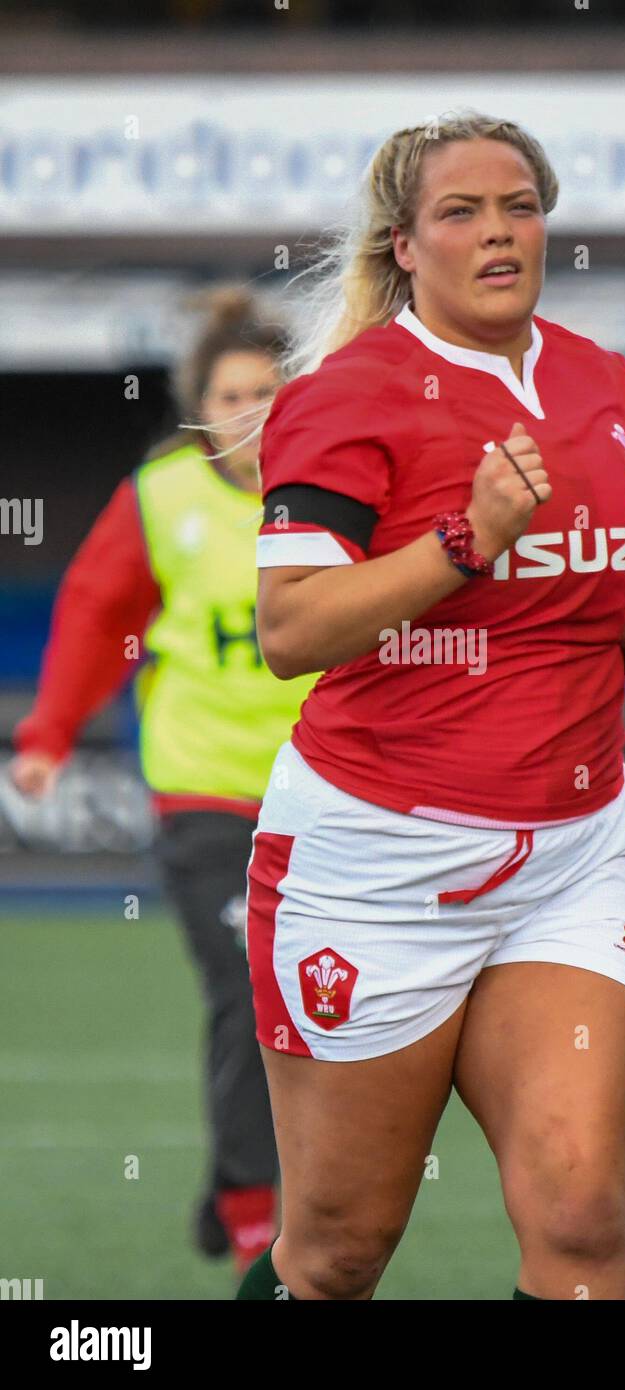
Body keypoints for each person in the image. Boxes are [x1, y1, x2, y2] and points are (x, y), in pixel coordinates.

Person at [239, 111, 625, 1302]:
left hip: (573, 854)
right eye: (461, 212)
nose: (498, 233)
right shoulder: (348, 396)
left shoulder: (600, 378)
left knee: (581, 1220)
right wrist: (463, 539)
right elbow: (290, 632)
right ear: (403, 244)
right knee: (337, 1253)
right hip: (377, 862)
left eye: (519, 206)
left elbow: (578, 587)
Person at [11, 288, 318, 1275]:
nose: (251, 412)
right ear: (200, 406)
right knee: (245, 987)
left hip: (327, 796)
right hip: (206, 793)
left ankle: (290, 1190)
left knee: (327, 1004)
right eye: (230, 394)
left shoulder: (331, 494)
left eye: (268, 392)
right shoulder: (164, 499)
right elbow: (99, 615)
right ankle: (247, 1203)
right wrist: (51, 731)